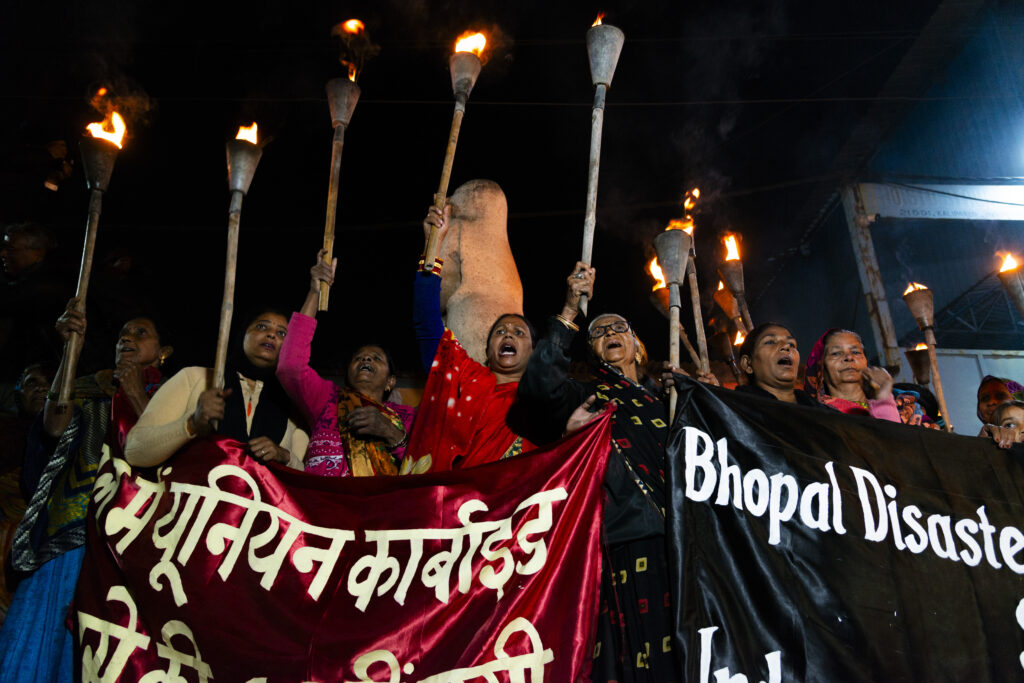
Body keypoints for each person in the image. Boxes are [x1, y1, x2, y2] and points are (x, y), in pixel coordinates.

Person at [518, 262, 678, 680]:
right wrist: (569, 315)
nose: (609, 334)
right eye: (599, 332)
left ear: (637, 345)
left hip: (679, 540)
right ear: (589, 351)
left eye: (618, 328)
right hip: (619, 537)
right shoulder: (584, 397)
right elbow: (537, 391)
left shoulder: (671, 399)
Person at [0, 302, 172, 681]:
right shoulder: (88, 387)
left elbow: (163, 459)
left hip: (134, 544)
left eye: (141, 332)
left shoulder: (175, 398)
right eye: (123, 333)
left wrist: (135, 394)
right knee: (45, 641)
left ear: (163, 352)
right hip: (72, 533)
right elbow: (53, 424)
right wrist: (70, 351)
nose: (128, 337)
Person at [403, 205, 535, 472]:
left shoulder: (547, 399)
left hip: (523, 507)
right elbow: (427, 326)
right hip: (458, 505)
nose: (508, 333)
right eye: (499, 332)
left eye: (518, 332)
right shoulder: (464, 377)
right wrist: (433, 248)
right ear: (487, 354)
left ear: (534, 354)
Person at [276, 251, 415, 477]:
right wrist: (314, 293)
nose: (366, 359)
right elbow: (290, 366)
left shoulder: (407, 417)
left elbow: (425, 467)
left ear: (391, 381)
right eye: (358, 358)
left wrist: (391, 433)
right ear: (347, 374)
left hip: (379, 509)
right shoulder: (327, 399)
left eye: (376, 358)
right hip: (319, 505)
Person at [124, 309, 308, 469]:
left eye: (282, 333)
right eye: (262, 326)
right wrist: (191, 424)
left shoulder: (292, 408)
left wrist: (285, 457)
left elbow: (302, 483)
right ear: (242, 334)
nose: (271, 335)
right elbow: (134, 451)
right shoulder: (197, 378)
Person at [0, 363, 55, 626]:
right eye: (33, 382)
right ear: (18, 391)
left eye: (49, 382)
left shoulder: (73, 435)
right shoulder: (7, 430)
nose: (42, 388)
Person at [0, 222, 68, 380]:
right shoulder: (30, 282)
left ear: (38, 253)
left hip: (43, 375)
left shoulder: (45, 286)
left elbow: (10, 299)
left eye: (11, 249)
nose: (3, 253)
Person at [803, 328, 900, 422]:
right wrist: (883, 402)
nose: (849, 357)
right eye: (836, 353)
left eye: (855, 352)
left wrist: (884, 397)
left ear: (866, 362)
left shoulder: (903, 403)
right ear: (820, 370)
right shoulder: (817, 416)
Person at [732, 322, 820, 406]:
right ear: (747, 364)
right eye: (770, 342)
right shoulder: (736, 408)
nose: (786, 346)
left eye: (791, 344)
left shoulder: (818, 409)